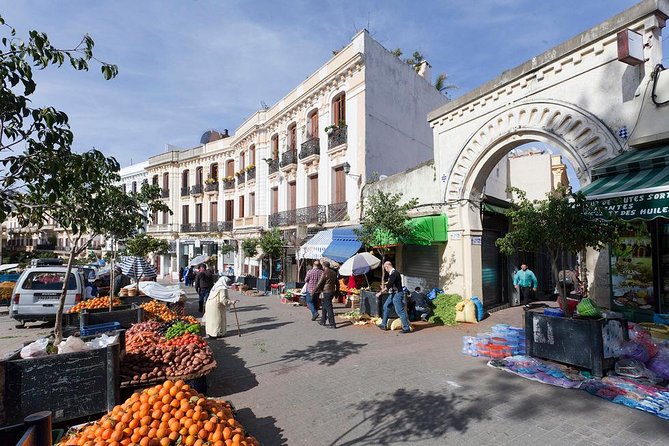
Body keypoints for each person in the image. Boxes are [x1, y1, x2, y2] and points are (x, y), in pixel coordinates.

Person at [378, 261, 411, 333]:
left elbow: (389, 285)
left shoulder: (394, 273)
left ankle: (406, 327)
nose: (385, 270)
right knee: (386, 306)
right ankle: (383, 324)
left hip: (397, 294)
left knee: (400, 311)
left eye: (385, 268)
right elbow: (391, 284)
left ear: (387, 267)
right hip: (393, 293)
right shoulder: (392, 274)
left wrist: (380, 293)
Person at [313, 260, 339, 329]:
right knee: (324, 305)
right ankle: (323, 320)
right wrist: (337, 292)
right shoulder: (333, 272)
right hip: (332, 291)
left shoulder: (324, 273)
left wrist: (313, 291)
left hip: (326, 292)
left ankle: (332, 324)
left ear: (324, 266)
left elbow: (319, 283)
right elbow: (337, 283)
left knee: (329, 307)